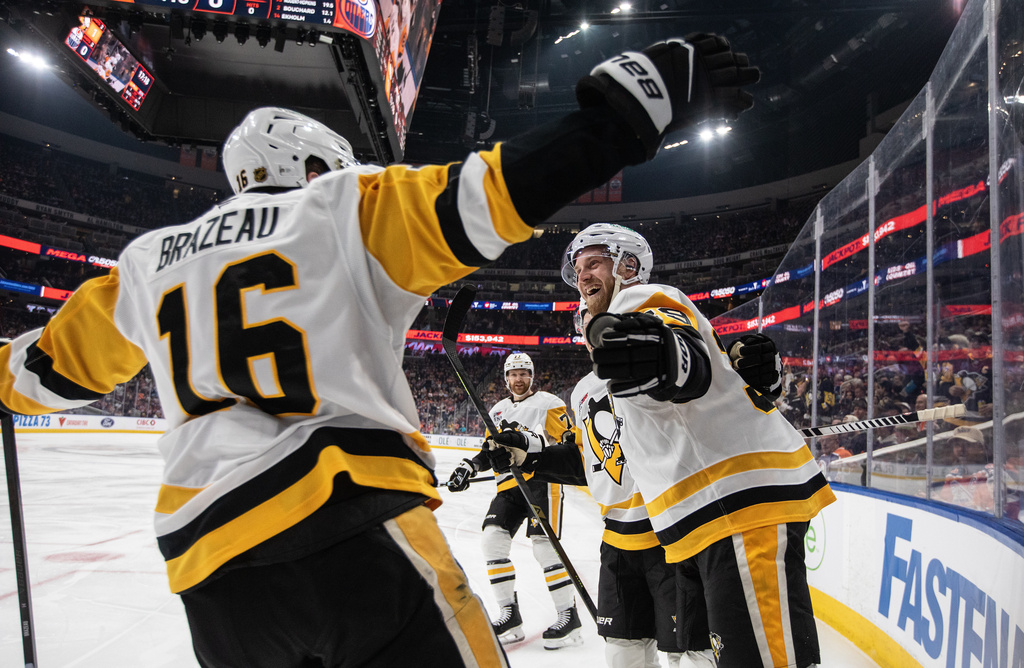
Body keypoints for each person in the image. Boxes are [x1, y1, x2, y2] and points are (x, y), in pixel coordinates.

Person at [0, 32, 760, 667]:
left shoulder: (147, 261)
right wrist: (627, 116)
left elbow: (39, 375)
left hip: (211, 574)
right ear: (312, 170)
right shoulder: (342, 207)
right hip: (346, 523)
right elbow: (492, 194)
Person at [496, 224, 834, 668]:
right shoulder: (601, 378)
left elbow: (680, 356)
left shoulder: (642, 300)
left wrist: (664, 359)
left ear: (628, 265)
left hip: (736, 504)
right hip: (703, 520)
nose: (582, 277)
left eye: (594, 263)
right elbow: (601, 461)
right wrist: (534, 454)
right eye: (578, 269)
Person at [490, 302, 785, 668]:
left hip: (673, 538)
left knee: (689, 656)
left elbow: (717, 411)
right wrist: (532, 456)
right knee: (622, 654)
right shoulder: (583, 392)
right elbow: (591, 463)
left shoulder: (665, 362)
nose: (591, 329)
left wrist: (758, 386)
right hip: (617, 545)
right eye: (585, 322)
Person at [448, 352, 582, 649]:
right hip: (508, 487)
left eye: (523, 373)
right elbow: (489, 451)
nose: (518, 379)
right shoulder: (496, 411)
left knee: (544, 548)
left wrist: (535, 446)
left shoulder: (549, 403)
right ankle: (510, 615)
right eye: (513, 374)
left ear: (532, 376)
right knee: (492, 541)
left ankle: (568, 616)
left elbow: (568, 444)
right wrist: (470, 466)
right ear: (505, 378)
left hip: (542, 482)